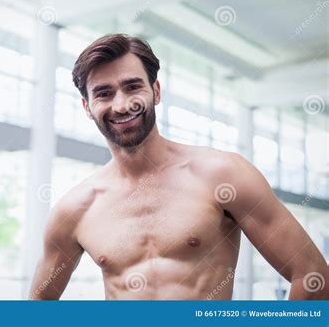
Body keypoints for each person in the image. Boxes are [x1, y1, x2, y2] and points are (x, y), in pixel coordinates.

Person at [29, 34, 328, 300]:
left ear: (155, 91)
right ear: (87, 107)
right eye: (104, 93)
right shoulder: (75, 209)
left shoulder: (222, 175)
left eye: (132, 87)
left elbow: (313, 276)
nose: (121, 105)